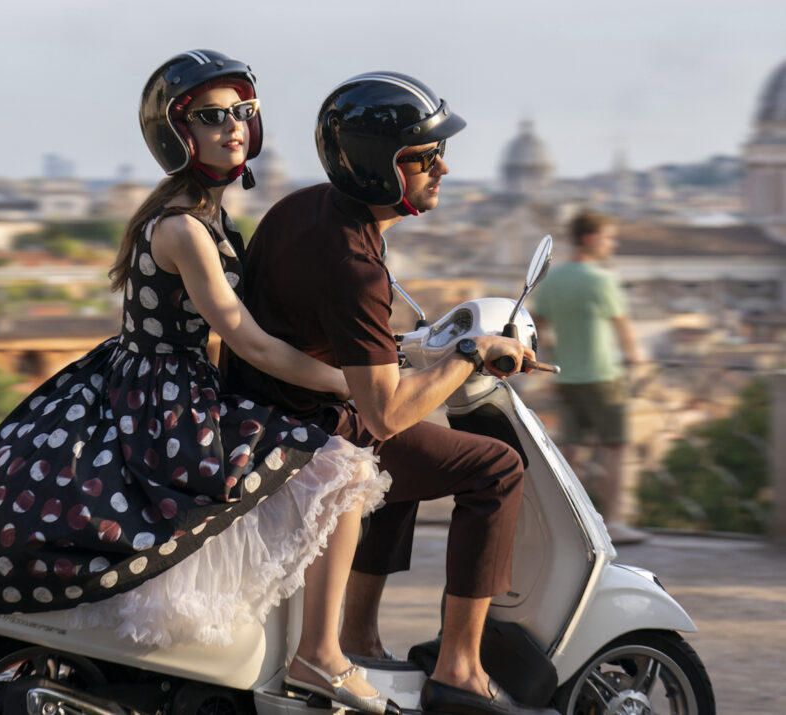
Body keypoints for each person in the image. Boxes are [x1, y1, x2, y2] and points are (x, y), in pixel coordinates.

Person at [0, 50, 397, 714]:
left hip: (154, 385)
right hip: (169, 401)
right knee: (341, 468)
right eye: (212, 117)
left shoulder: (200, 216)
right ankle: (321, 654)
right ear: (180, 134)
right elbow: (248, 339)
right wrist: (349, 383)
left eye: (243, 113)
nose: (233, 127)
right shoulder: (183, 227)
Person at [223, 73, 557, 715]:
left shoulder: (305, 208)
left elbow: (326, 334)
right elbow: (384, 409)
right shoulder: (354, 260)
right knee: (494, 468)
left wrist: (408, 348)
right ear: (384, 167)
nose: (444, 168)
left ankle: (359, 633)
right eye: (426, 158)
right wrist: (468, 354)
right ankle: (460, 667)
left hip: (263, 410)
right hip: (302, 430)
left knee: (412, 455)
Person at [531, 209, 647, 545]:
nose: (613, 244)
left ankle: (572, 522)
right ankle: (613, 522)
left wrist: (553, 354)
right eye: (609, 238)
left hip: (566, 377)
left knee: (571, 450)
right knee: (615, 448)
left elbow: (537, 327)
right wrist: (637, 359)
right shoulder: (602, 281)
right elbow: (624, 330)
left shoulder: (551, 281)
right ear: (591, 239)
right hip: (603, 375)